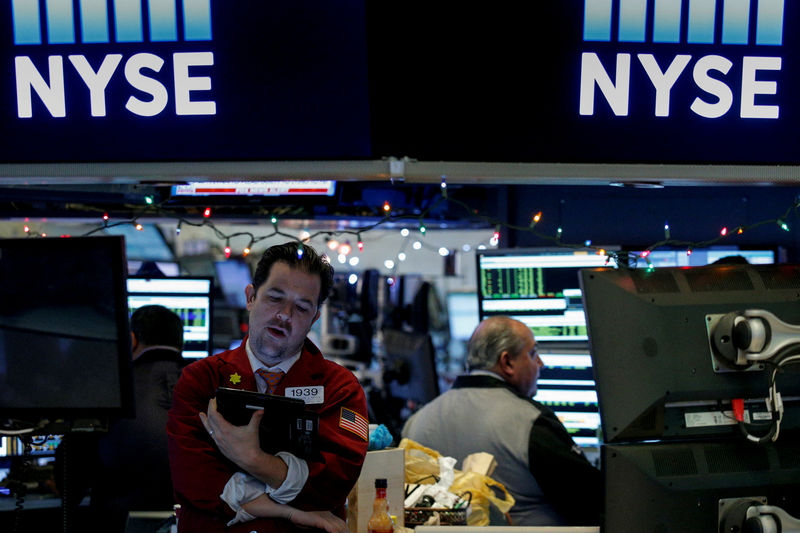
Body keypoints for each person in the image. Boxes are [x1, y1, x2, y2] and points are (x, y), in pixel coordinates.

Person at [167, 242, 369, 533]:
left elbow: (331, 485)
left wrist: (252, 459)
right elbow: (194, 481)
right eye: (275, 298)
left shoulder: (340, 388)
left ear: (313, 318)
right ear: (251, 297)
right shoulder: (200, 380)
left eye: (301, 307)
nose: (285, 315)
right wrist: (291, 511)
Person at [401, 315, 601, 526]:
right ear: (507, 362)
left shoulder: (415, 424)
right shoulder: (530, 422)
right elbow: (594, 501)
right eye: (533, 354)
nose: (541, 363)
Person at [88, 304, 186, 530]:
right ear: (181, 343)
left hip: (118, 522)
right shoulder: (210, 384)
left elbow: (71, 474)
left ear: (131, 340)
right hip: (192, 522)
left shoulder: (107, 387)